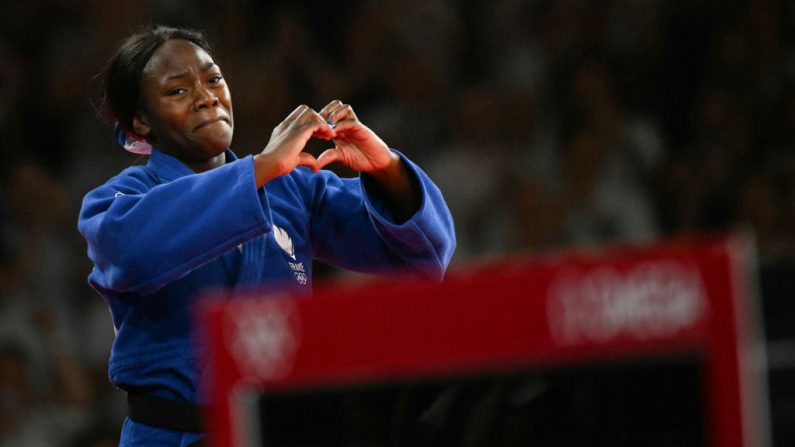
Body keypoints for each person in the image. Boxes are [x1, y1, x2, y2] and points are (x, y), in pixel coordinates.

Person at [77, 25, 455, 447]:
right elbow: (134, 251)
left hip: (286, 429)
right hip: (175, 436)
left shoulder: (291, 188)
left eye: (213, 78)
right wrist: (263, 166)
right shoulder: (116, 201)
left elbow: (423, 256)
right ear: (141, 120)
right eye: (178, 91)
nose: (206, 96)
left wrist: (384, 166)